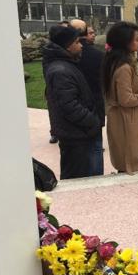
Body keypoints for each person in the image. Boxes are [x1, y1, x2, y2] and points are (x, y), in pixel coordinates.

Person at [43, 25, 101, 179]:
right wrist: (92, 120)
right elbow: (69, 106)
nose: (81, 45)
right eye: (77, 42)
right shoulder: (61, 70)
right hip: (74, 134)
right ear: (67, 45)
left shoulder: (67, 64)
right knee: (75, 176)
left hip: (77, 132)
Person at [102, 21, 138, 174]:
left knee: (128, 159)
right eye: (137, 39)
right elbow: (126, 99)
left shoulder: (115, 62)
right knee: (131, 161)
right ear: (125, 42)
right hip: (126, 120)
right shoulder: (123, 67)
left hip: (124, 117)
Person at [70, 18, 105, 176]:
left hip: (75, 109)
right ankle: (96, 179)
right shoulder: (98, 55)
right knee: (95, 147)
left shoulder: (64, 57)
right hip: (94, 106)